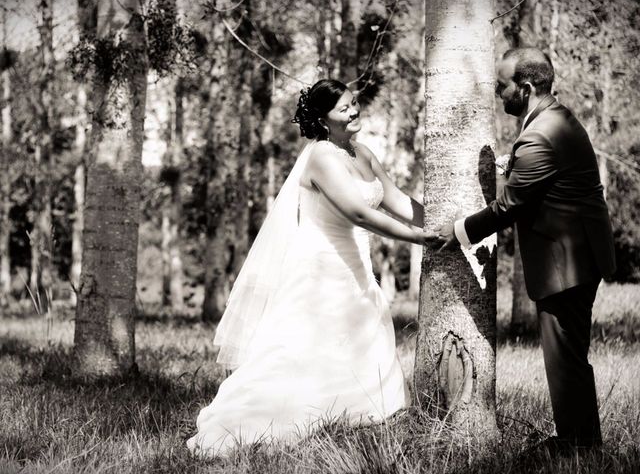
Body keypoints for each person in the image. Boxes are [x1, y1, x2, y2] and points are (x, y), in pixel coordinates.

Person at [187, 79, 438, 457]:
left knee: (359, 334)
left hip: (355, 263)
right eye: (343, 109)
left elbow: (398, 200)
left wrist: (438, 223)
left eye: (353, 103)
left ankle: (357, 418)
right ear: (323, 120)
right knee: (305, 348)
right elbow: (358, 212)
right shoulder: (320, 157)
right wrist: (418, 240)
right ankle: (273, 418)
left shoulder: (363, 153)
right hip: (321, 267)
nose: (353, 112)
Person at [437, 47, 616, 453]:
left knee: (564, 356)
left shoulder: (538, 133)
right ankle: (582, 439)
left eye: (503, 86)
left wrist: (458, 230)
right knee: (570, 354)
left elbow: (510, 206)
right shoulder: (556, 118)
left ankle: (576, 445)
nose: (499, 94)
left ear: (526, 86)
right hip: (582, 254)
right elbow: (545, 175)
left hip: (565, 262)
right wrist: (513, 167)